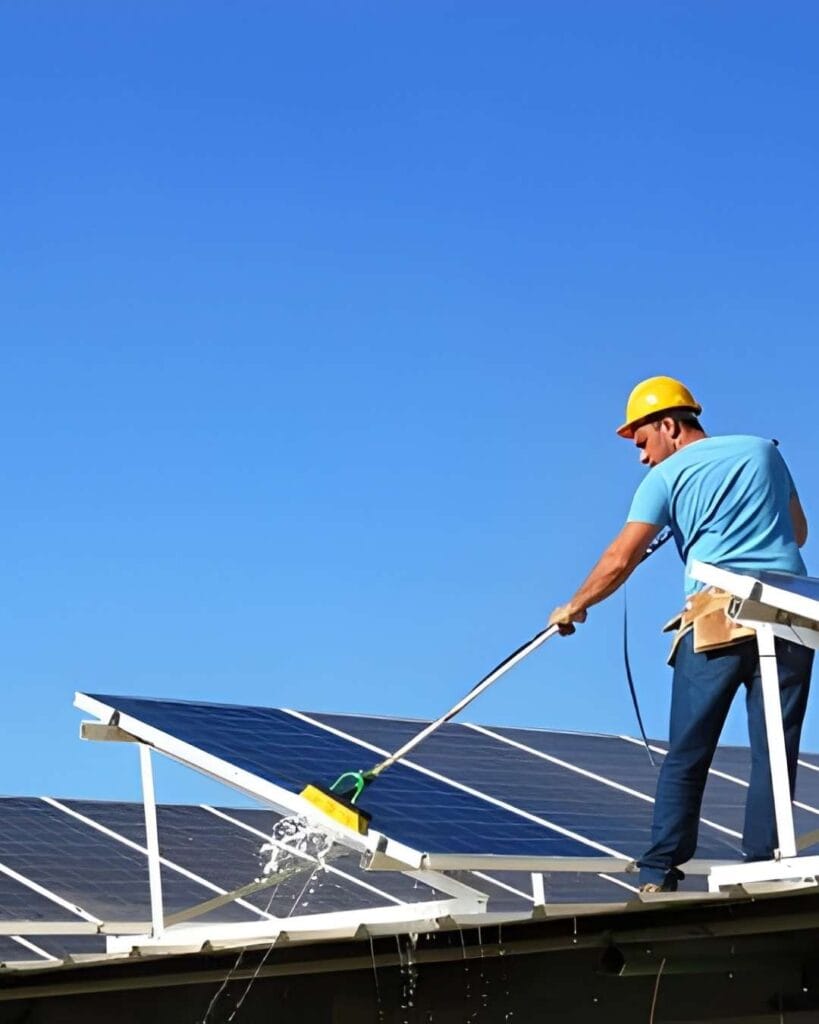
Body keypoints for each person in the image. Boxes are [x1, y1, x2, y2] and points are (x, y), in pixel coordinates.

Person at [548, 375, 813, 892]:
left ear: (669, 425)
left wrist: (575, 605)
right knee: (775, 754)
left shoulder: (664, 480)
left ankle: (658, 871)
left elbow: (619, 558)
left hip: (718, 617)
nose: (643, 457)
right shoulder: (765, 452)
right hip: (791, 617)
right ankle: (766, 865)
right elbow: (797, 532)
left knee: (689, 749)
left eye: (643, 441)